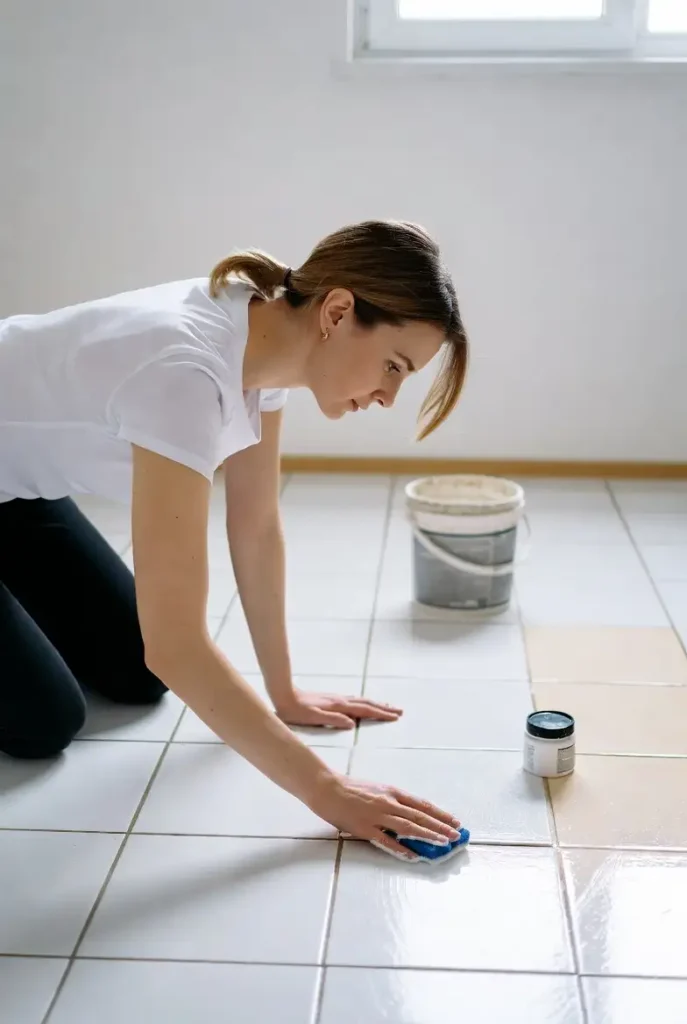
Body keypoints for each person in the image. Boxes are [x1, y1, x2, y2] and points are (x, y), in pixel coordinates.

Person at [0, 219, 468, 859]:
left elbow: (255, 524)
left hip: (15, 496)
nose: (389, 395)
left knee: (134, 675)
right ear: (336, 311)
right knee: (46, 720)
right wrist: (327, 790)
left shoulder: (267, 335)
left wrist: (285, 692)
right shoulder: (184, 374)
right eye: (393, 365)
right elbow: (178, 646)